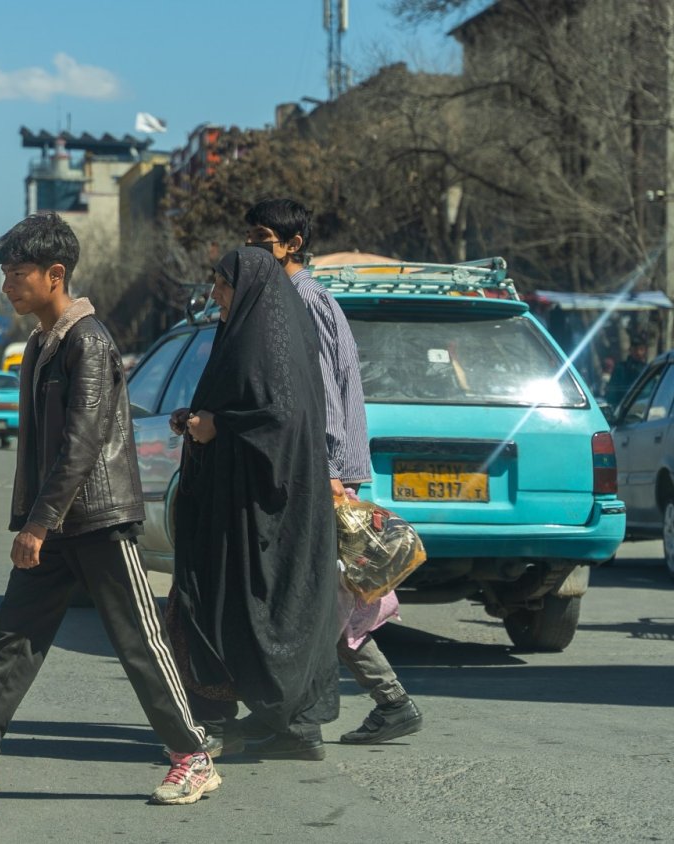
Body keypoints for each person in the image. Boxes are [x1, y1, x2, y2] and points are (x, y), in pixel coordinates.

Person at [0, 213, 220, 807]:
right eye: (4, 274)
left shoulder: (88, 340)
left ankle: (193, 756)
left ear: (55, 274)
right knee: (13, 636)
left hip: (95, 517)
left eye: (17, 274)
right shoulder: (45, 342)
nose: (7, 286)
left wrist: (39, 522)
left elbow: (82, 441)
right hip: (56, 519)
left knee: (138, 640)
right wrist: (37, 519)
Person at [244, 198, 423, 747]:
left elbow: (320, 392)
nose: (253, 247)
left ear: (294, 244)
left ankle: (386, 702)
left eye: (263, 237)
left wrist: (326, 470)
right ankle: (316, 712)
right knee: (324, 598)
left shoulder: (300, 299)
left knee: (323, 599)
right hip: (323, 471)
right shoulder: (288, 296)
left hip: (320, 473)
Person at [165, 246, 343, 763]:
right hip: (243, 506)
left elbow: (279, 417)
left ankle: (224, 724)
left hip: (258, 510)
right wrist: (197, 418)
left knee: (237, 608)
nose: (216, 294)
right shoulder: (245, 335)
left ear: (247, 291)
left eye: (222, 285)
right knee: (262, 610)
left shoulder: (262, 342)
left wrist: (218, 424)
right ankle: (290, 725)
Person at [606, 341, 650, 407]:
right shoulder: (620, 369)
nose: (638, 353)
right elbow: (612, 392)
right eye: (635, 349)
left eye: (641, 349)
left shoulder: (649, 369)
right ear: (630, 350)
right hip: (624, 410)